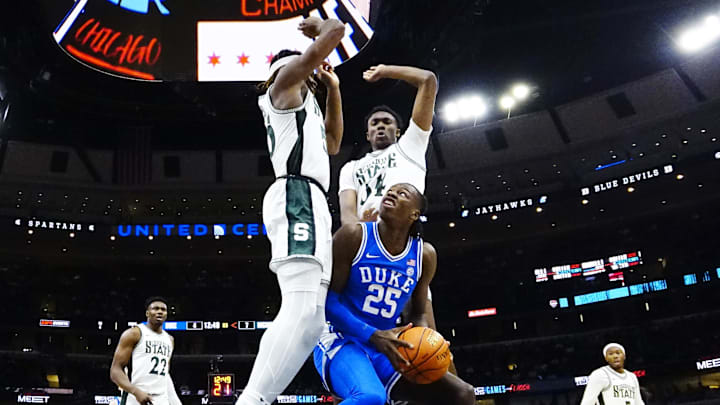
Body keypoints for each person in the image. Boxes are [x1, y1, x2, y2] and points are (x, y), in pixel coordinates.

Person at [236, 16, 345, 405]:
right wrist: (320, 29)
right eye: (300, 68)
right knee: (299, 308)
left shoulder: (309, 107)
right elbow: (335, 33)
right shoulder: (281, 89)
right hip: (296, 193)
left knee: (313, 321)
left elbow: (333, 144)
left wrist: (333, 88)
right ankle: (252, 400)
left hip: (313, 199)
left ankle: (257, 399)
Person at [337, 64, 453, 373]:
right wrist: (362, 226)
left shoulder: (410, 149)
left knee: (430, 345)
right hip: (366, 248)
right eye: (374, 123)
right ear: (366, 132)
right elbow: (347, 213)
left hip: (405, 247)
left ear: (398, 130)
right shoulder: (350, 168)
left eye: (387, 122)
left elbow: (429, 80)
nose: (380, 127)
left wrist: (386, 70)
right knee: (360, 337)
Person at [314, 184, 475, 405]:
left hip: (387, 345)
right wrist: (372, 335)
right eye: (390, 191)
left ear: (414, 214)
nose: (391, 193)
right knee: (370, 397)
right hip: (340, 338)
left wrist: (429, 341)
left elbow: (418, 314)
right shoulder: (354, 235)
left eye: (402, 194)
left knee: (462, 393)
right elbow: (328, 302)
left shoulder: (424, 255)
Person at [110, 297, 182, 405]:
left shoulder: (170, 340)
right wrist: (136, 391)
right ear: (147, 313)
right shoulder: (134, 333)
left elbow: (165, 374)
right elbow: (115, 371)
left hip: (161, 399)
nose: (159, 312)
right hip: (135, 396)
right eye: (155, 309)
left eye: (163, 310)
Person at [579, 343, 645, 405]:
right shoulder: (600, 374)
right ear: (606, 358)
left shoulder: (632, 376)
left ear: (624, 356)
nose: (615, 356)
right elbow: (587, 402)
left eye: (618, 353)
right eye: (610, 354)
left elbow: (638, 402)